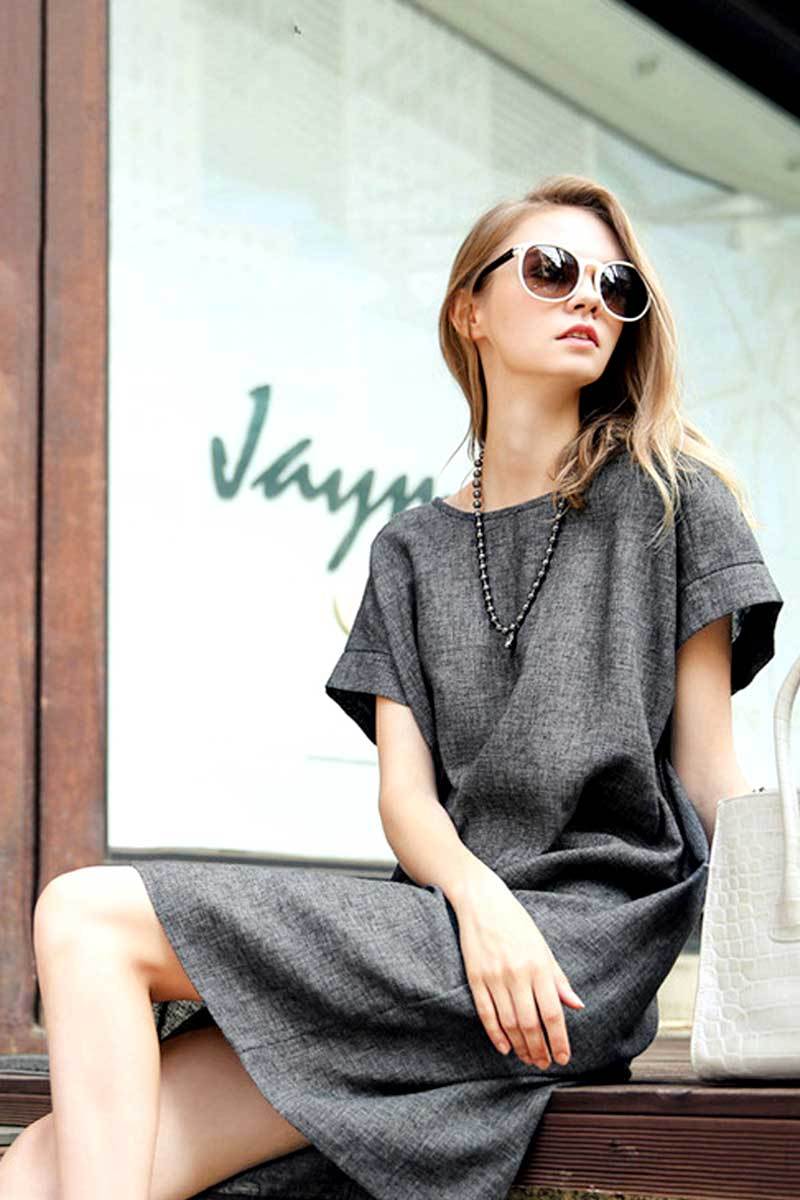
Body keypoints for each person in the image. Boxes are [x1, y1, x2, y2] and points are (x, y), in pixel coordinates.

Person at [1, 174, 783, 1200]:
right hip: (449, 936)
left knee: (84, 915)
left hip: (577, 953)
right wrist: (480, 902)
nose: (587, 298)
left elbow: (706, 769)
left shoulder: (674, 502)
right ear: (470, 309)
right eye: (551, 271)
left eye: (613, 284)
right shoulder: (409, 550)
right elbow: (405, 803)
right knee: (43, 1165)